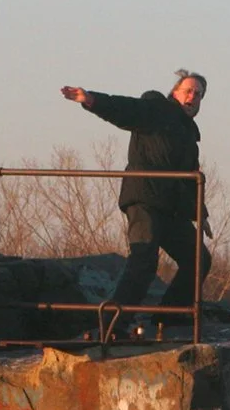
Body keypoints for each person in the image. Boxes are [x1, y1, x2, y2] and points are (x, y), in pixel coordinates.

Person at [59, 70, 211, 322]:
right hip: (145, 199)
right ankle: (113, 324)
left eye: (198, 94)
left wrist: (200, 213)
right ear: (175, 93)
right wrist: (92, 100)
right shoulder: (156, 109)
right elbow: (125, 109)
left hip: (170, 208)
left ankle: (168, 319)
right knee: (144, 259)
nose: (193, 97)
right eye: (189, 91)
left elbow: (190, 177)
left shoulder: (188, 135)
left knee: (199, 259)